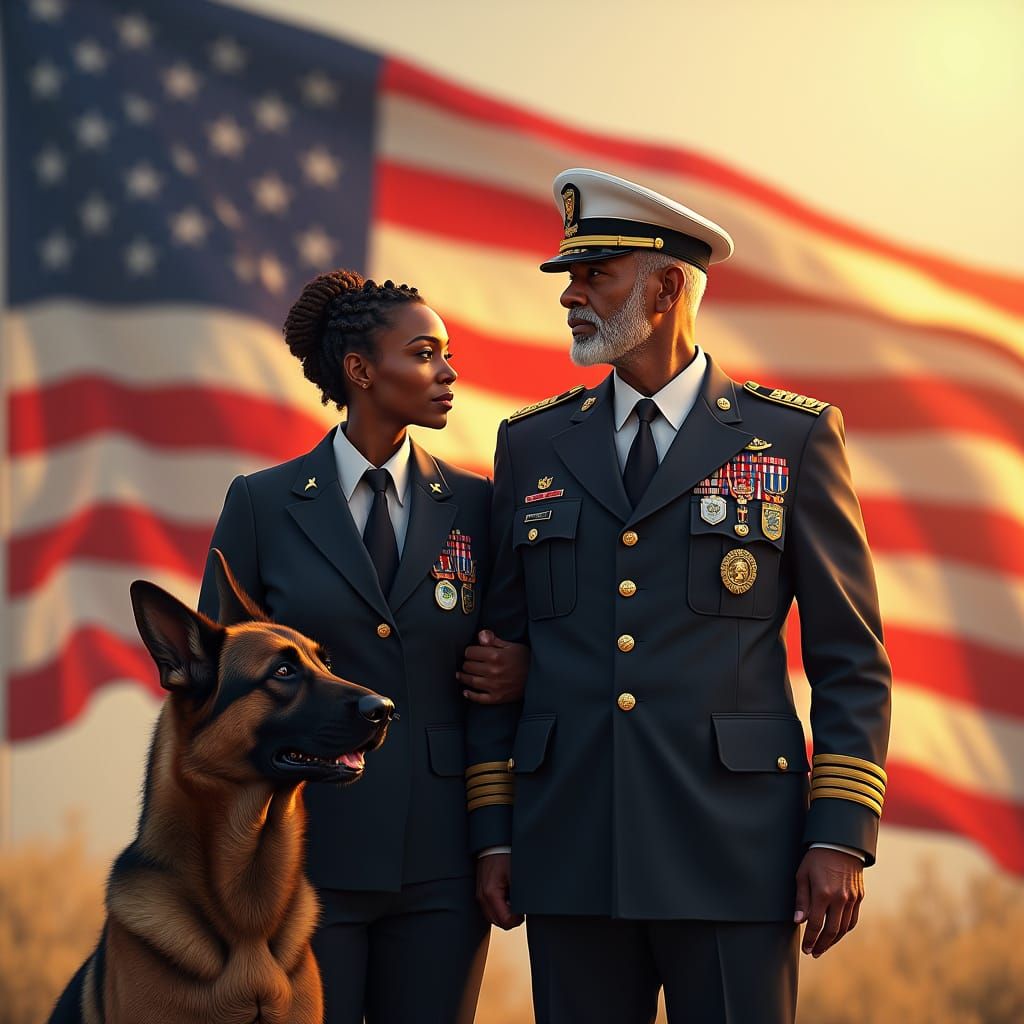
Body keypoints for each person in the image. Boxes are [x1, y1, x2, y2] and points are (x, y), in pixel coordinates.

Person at [464, 169, 892, 1024]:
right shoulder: (531, 443)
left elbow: (851, 661)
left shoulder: (793, 436)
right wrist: (495, 828)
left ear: (664, 287)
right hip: (573, 844)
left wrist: (839, 833)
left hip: (734, 852)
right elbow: (492, 652)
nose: (573, 296)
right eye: (570, 279)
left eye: (597, 275)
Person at [198, 269, 527, 1024]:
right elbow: (213, 690)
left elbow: (503, 672)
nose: (448, 373)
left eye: (447, 354)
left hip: (444, 862)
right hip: (302, 862)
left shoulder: (479, 505)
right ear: (360, 370)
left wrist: (494, 837)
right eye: (424, 353)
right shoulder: (263, 504)